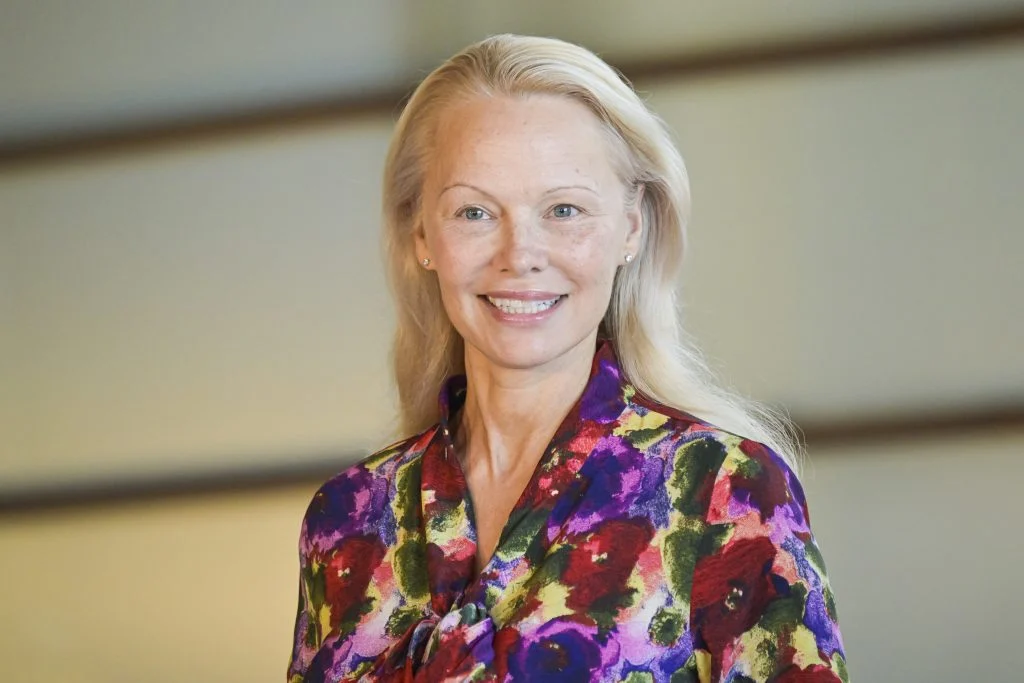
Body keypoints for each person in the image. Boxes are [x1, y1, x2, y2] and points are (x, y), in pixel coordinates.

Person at [287, 34, 847, 682]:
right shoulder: (347, 516)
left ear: (631, 227)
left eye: (563, 209)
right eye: (474, 211)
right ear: (421, 233)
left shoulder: (723, 489)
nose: (520, 254)